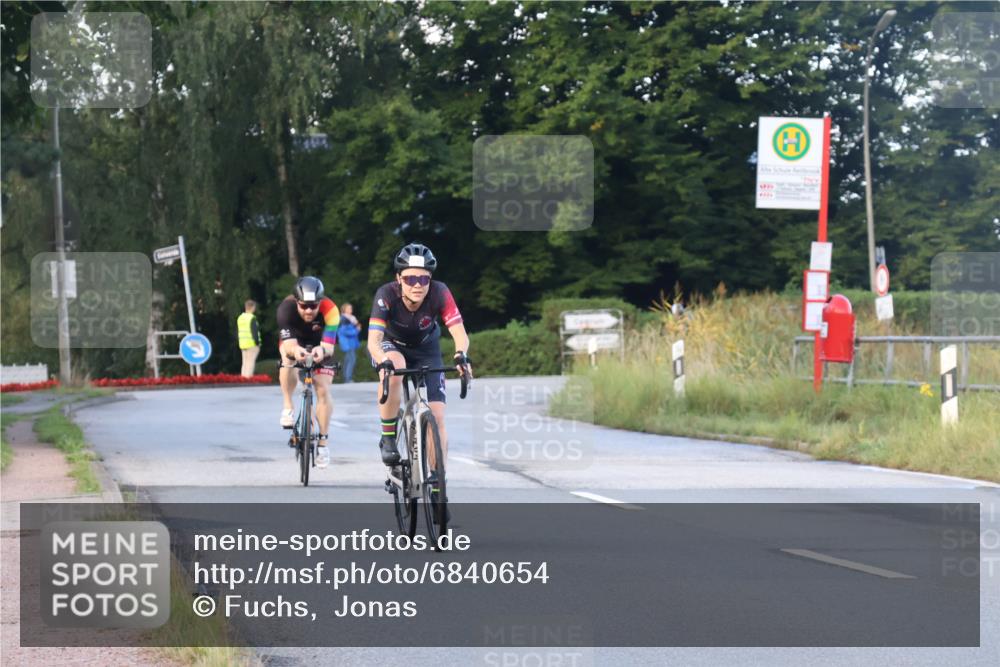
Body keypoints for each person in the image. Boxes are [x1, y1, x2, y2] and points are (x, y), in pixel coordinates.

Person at [367, 243, 472, 478]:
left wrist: (460, 354)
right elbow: (373, 340)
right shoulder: (386, 294)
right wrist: (383, 360)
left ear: (430, 280)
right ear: (398, 278)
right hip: (391, 346)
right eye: (410, 279)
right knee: (395, 366)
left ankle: (437, 479)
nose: (417, 285)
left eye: (423, 280)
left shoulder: (440, 292)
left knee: (437, 416)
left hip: (426, 349)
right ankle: (388, 438)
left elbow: (459, 333)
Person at [276, 276, 339, 468]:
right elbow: (289, 346)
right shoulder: (285, 310)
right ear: (296, 302)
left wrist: (323, 350)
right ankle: (288, 406)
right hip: (295, 343)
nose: (309, 310)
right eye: (304, 306)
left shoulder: (331, 310)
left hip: (320, 345)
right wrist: (296, 352)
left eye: (314, 306)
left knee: (322, 389)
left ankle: (323, 443)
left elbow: (329, 345)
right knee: (287, 360)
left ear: (321, 302)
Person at [237, 300, 262, 378]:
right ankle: (248, 378)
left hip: (243, 343)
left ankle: (243, 378)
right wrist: (257, 342)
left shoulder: (240, 318)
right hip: (252, 343)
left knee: (244, 362)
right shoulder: (252, 318)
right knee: (251, 361)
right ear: (252, 307)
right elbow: (254, 331)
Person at [337, 303, 360, 382]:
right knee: (352, 359)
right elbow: (343, 331)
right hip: (347, 343)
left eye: (351, 308)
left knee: (347, 360)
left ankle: (346, 378)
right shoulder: (344, 319)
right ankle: (348, 378)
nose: (351, 310)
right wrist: (356, 330)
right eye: (349, 308)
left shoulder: (350, 319)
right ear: (344, 309)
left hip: (350, 343)